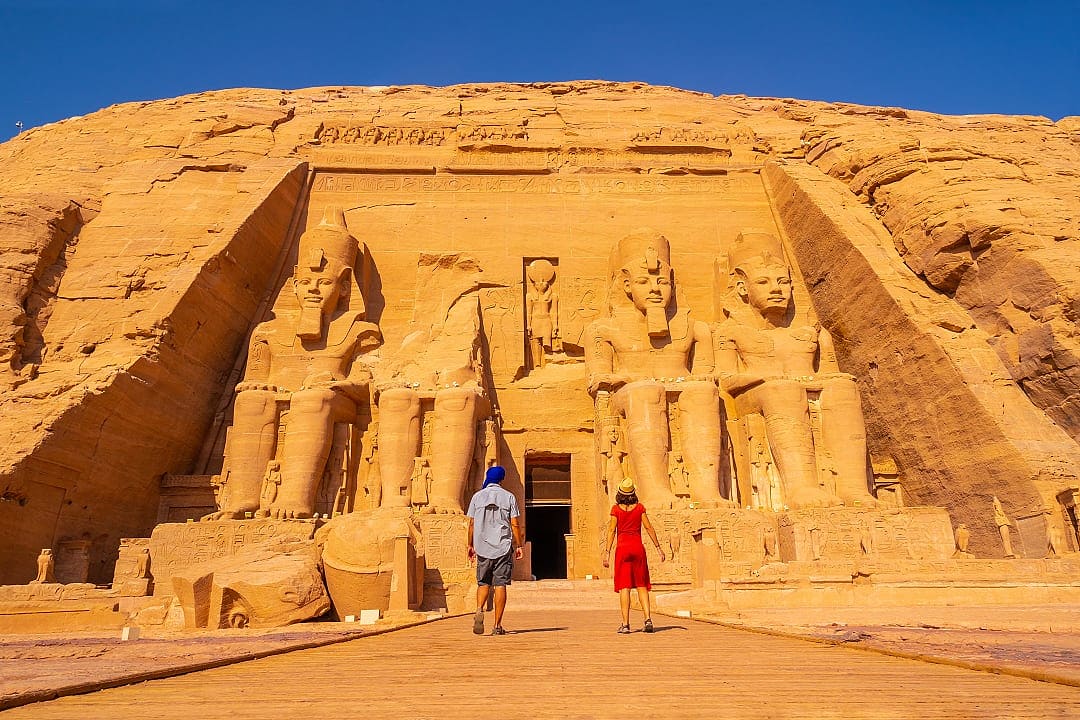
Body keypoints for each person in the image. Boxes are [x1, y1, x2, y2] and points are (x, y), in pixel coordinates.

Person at [603, 478, 666, 634]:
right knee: (641, 584)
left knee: (624, 587)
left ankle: (625, 624)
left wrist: (607, 552)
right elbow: (649, 527)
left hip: (622, 549)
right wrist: (658, 548)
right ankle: (648, 619)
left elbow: (611, 531)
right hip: (637, 547)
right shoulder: (639, 509)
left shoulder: (615, 510)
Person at [467, 466, 524, 636]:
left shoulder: (477, 496)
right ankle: (497, 625)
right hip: (502, 546)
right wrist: (519, 544)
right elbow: (514, 523)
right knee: (500, 584)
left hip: (482, 546)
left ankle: (479, 608)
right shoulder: (508, 497)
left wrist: (470, 545)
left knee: (483, 582)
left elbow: (471, 524)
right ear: (501, 479)